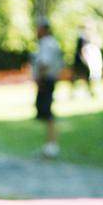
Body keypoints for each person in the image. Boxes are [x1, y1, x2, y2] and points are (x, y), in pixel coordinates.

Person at [33, 20, 64, 158]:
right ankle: (50, 144)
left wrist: (39, 78)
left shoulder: (46, 43)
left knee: (47, 113)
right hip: (50, 79)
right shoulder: (53, 42)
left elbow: (44, 63)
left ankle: (51, 145)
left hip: (46, 80)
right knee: (46, 113)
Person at [72, 25, 103, 98]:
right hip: (81, 60)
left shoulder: (83, 38)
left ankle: (89, 91)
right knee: (81, 76)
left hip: (81, 60)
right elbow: (82, 49)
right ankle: (89, 91)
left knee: (82, 77)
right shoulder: (82, 38)